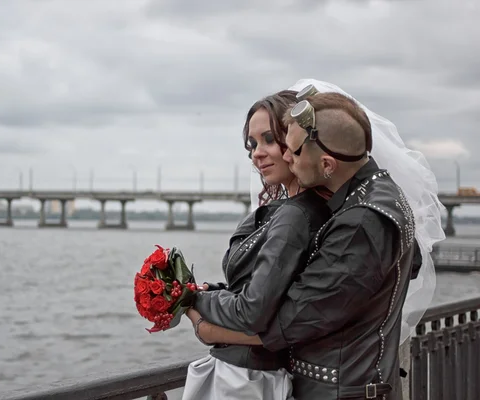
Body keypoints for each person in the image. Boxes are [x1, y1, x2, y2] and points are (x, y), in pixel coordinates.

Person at [186, 81, 443, 400]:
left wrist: (203, 317)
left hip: (343, 391)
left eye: (292, 150)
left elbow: (291, 320)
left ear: (326, 163)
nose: (288, 160)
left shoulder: (363, 219)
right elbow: (407, 264)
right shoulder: (369, 200)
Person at [180, 90, 333, 400]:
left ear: (295, 141)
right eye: (252, 144)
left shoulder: (295, 215)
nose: (257, 153)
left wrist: (192, 302)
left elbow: (255, 312)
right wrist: (220, 291)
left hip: (245, 382)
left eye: (268, 139)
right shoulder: (303, 210)